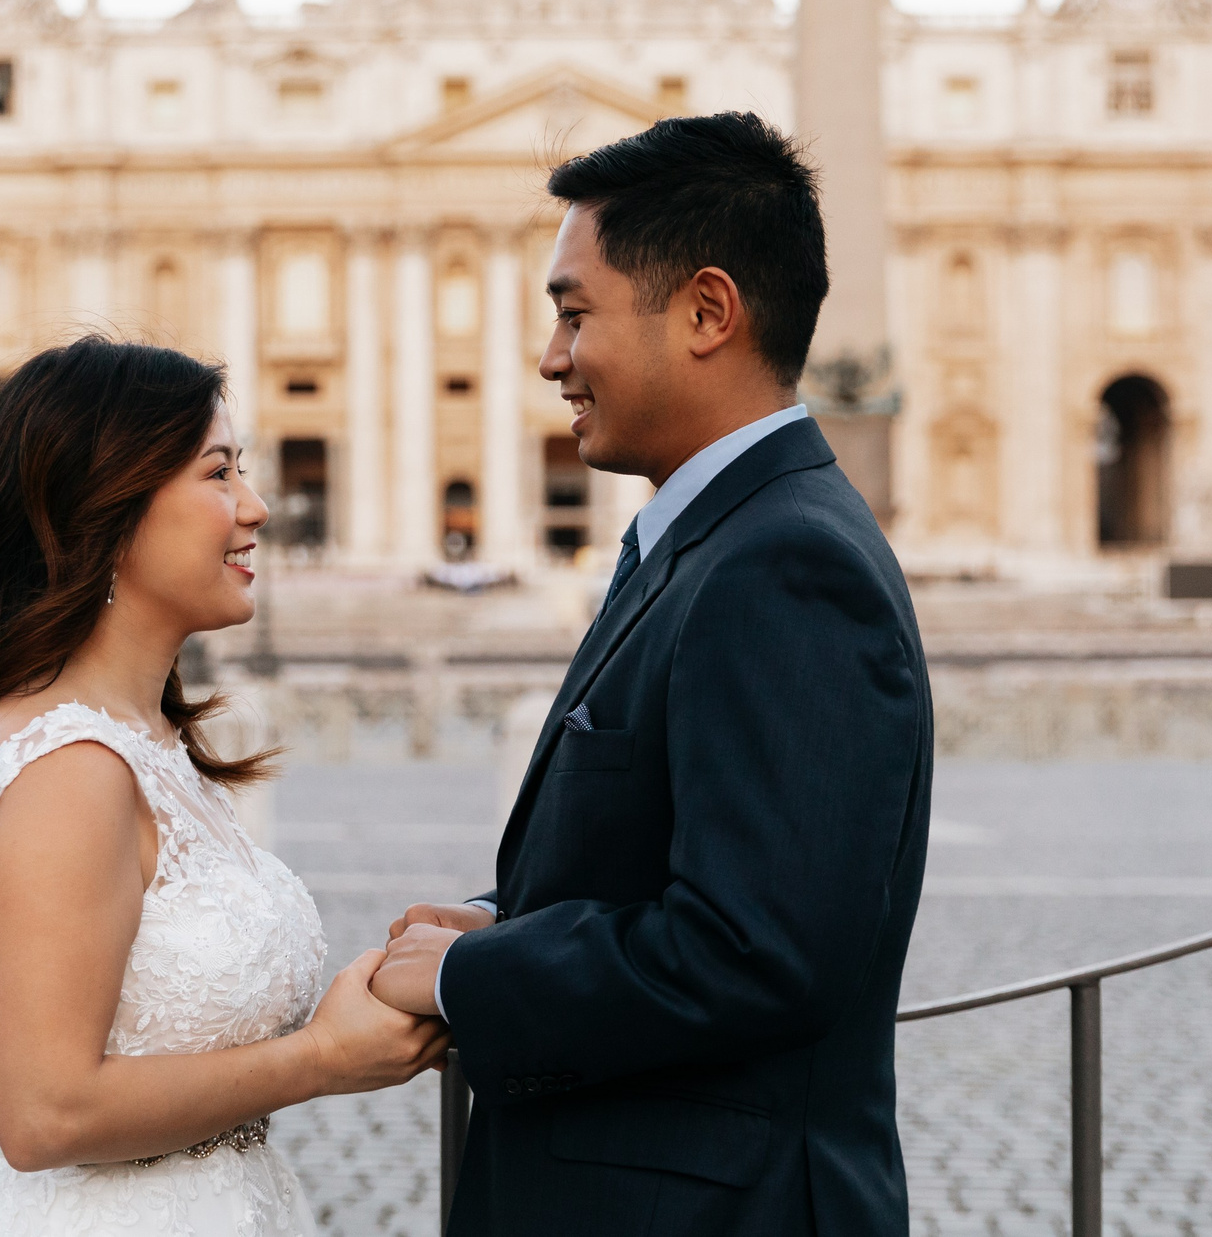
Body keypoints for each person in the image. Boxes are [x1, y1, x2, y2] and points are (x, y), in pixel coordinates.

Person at [373, 113, 933, 1233]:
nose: (550, 357)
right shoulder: (716, 539)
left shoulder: (783, 564)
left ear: (706, 312)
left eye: (573, 312)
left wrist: (458, 983)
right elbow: (692, 866)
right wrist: (506, 926)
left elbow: (754, 950)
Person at [0, 338, 447, 1236]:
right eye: (220, 473)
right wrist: (318, 1057)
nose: (257, 507)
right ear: (105, 508)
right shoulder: (68, 765)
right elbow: (44, 1113)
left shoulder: (143, 740)